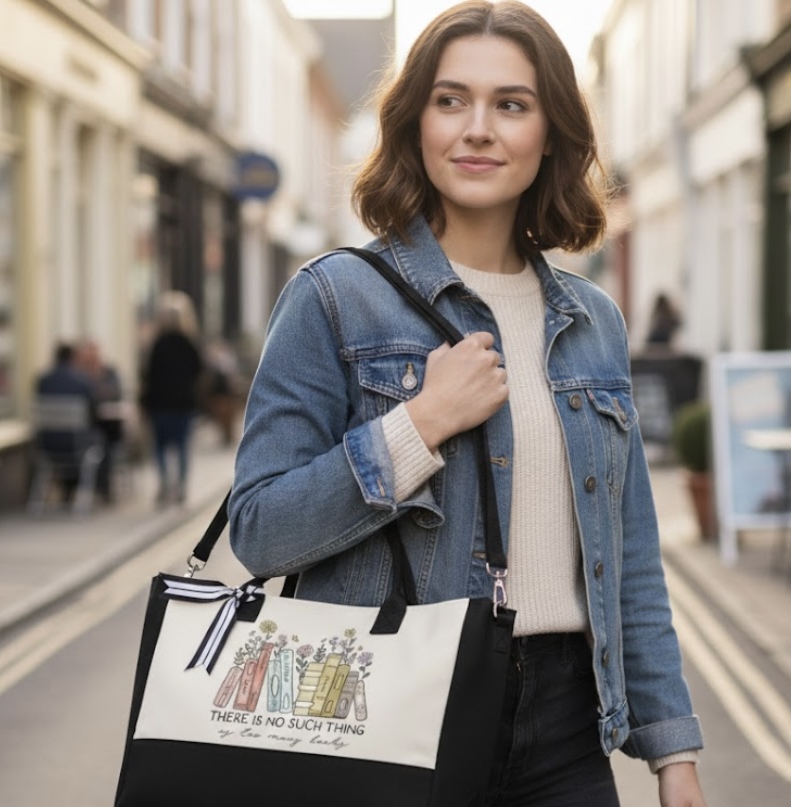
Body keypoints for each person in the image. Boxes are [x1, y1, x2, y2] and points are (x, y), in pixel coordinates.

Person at [228, 3, 708, 805]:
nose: (478, 128)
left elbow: (629, 558)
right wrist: (414, 427)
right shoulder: (333, 299)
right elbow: (260, 529)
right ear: (416, 122)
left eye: (511, 104)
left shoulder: (594, 323)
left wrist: (674, 751)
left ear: (550, 132)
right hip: (377, 713)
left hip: (565, 728)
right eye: (451, 100)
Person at [140, 291, 203, 505]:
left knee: (160, 447)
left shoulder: (157, 345)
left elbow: (148, 375)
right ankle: (182, 487)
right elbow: (198, 371)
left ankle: (165, 484)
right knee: (182, 446)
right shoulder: (189, 343)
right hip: (183, 403)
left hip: (161, 404)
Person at [35, 342, 101, 503]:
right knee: (99, 441)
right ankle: (101, 491)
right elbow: (93, 409)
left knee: (75, 439)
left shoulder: (43, 381)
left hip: (46, 444)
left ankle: (67, 490)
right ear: (73, 359)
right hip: (75, 444)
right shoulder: (81, 381)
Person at [75, 338, 125, 503]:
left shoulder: (109, 372)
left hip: (103, 424)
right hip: (83, 429)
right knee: (100, 443)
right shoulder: (78, 377)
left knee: (106, 440)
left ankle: (103, 485)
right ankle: (97, 486)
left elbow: (115, 393)